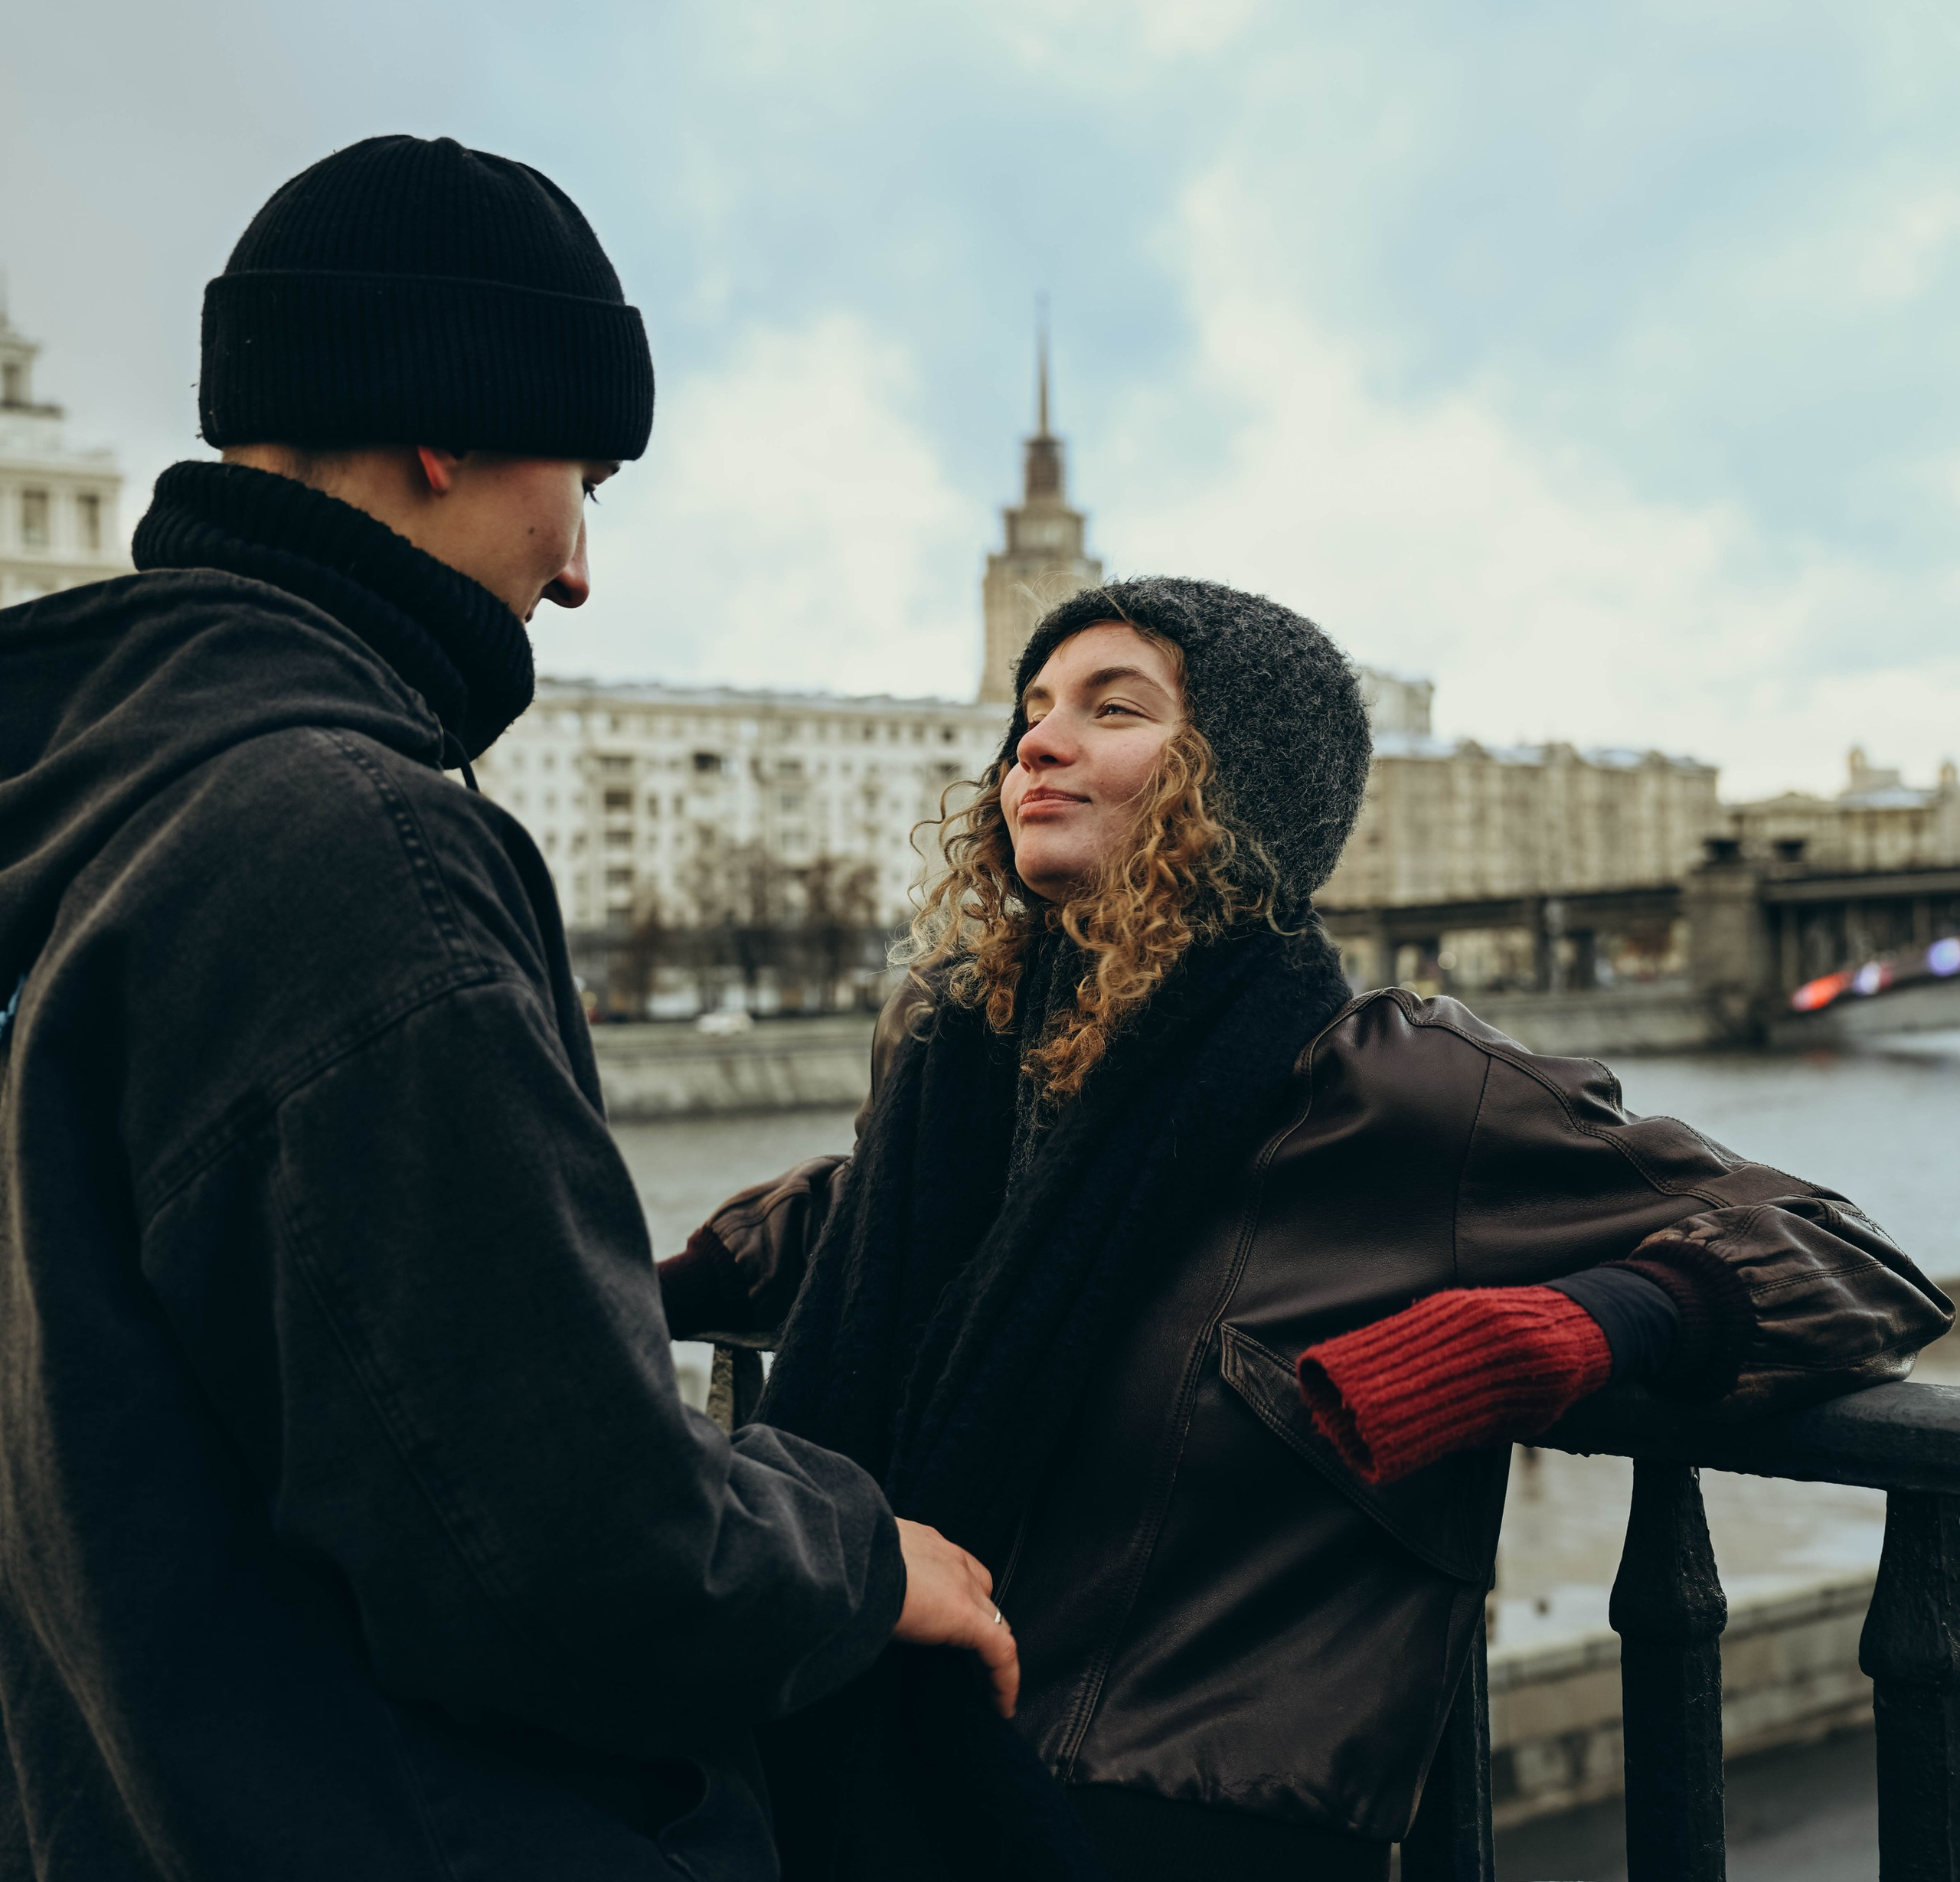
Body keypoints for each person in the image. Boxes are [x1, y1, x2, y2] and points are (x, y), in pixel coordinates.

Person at [0, 135, 1014, 1881]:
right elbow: (563, 1537)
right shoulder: (352, 840)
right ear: (446, 429)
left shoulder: (84, 791)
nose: (576, 570)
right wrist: (858, 1553)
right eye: (585, 478)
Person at [658, 575, 1953, 1881]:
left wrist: (1565, 1331)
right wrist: (621, 1284)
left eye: (1114, 709)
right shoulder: (967, 1055)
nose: (1035, 745)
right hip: (875, 1789)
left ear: (1241, 782)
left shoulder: (1388, 1083)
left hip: (1181, 1826)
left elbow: (1849, 1258)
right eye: (1032, 711)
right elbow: (875, 1220)